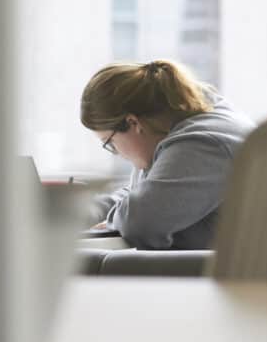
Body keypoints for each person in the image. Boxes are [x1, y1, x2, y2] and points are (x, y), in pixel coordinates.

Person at [80, 59, 253, 250]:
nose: (116, 153)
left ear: (133, 123)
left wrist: (116, 220)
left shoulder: (203, 143)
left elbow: (140, 221)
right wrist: (78, 214)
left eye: (110, 142)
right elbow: (141, 194)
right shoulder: (168, 130)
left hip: (236, 275)